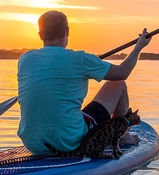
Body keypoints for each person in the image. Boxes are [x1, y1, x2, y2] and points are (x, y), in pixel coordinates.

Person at [17, 10, 151, 155]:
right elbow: (122, 73)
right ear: (67, 31)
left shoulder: (25, 59)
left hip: (33, 144)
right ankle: (123, 136)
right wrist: (139, 47)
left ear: (40, 35)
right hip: (69, 142)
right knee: (118, 84)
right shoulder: (81, 59)